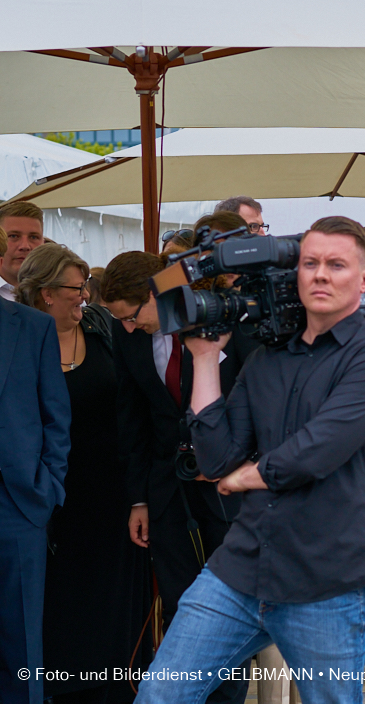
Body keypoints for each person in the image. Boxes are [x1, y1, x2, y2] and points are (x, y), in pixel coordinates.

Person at [136, 217, 365, 702]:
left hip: (325, 581)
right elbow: (217, 456)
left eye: (336, 265)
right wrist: (204, 359)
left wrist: (250, 477)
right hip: (239, 569)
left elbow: (317, 450)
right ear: (295, 272)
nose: (320, 275)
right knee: (161, 694)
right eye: (310, 263)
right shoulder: (268, 357)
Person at [102, 249, 255, 704]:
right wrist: (139, 500)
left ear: (157, 294)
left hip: (229, 492)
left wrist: (238, 461)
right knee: (180, 607)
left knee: (230, 610)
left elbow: (260, 399)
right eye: (120, 320)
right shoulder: (125, 332)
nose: (127, 327)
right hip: (166, 494)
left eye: (132, 316)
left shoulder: (223, 321)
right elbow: (133, 418)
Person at [17, 243, 150, 702]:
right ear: (44, 293)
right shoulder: (17, 342)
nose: (84, 297)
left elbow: (135, 404)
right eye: (76, 289)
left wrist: (139, 492)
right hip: (46, 500)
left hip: (113, 498)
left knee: (111, 609)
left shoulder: (104, 329)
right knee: (57, 609)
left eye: (85, 287)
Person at [0, 231, 70, 704]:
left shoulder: (31, 326)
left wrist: (45, 490)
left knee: (22, 646)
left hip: (18, 503)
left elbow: (55, 418)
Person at [0, 201, 46, 301]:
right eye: (13, 236)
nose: (25, 246)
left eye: (33, 237)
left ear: (43, 242)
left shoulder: (62, 296)